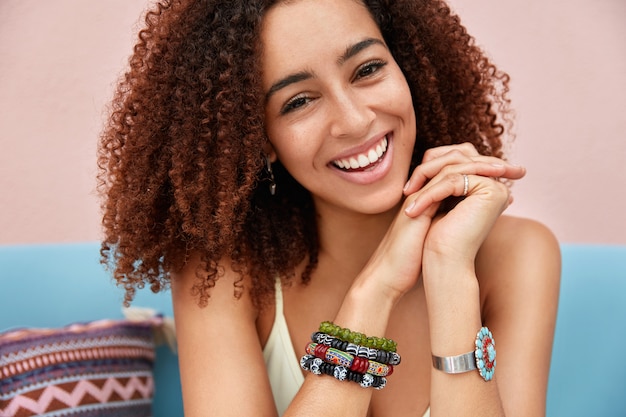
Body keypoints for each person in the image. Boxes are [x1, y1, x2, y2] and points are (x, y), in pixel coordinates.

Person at [98, 0, 561, 415]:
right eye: (299, 101)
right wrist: (375, 289)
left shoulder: (517, 254)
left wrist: (451, 270)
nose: (355, 120)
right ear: (259, 139)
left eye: (367, 70)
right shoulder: (222, 273)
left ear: (408, 70)